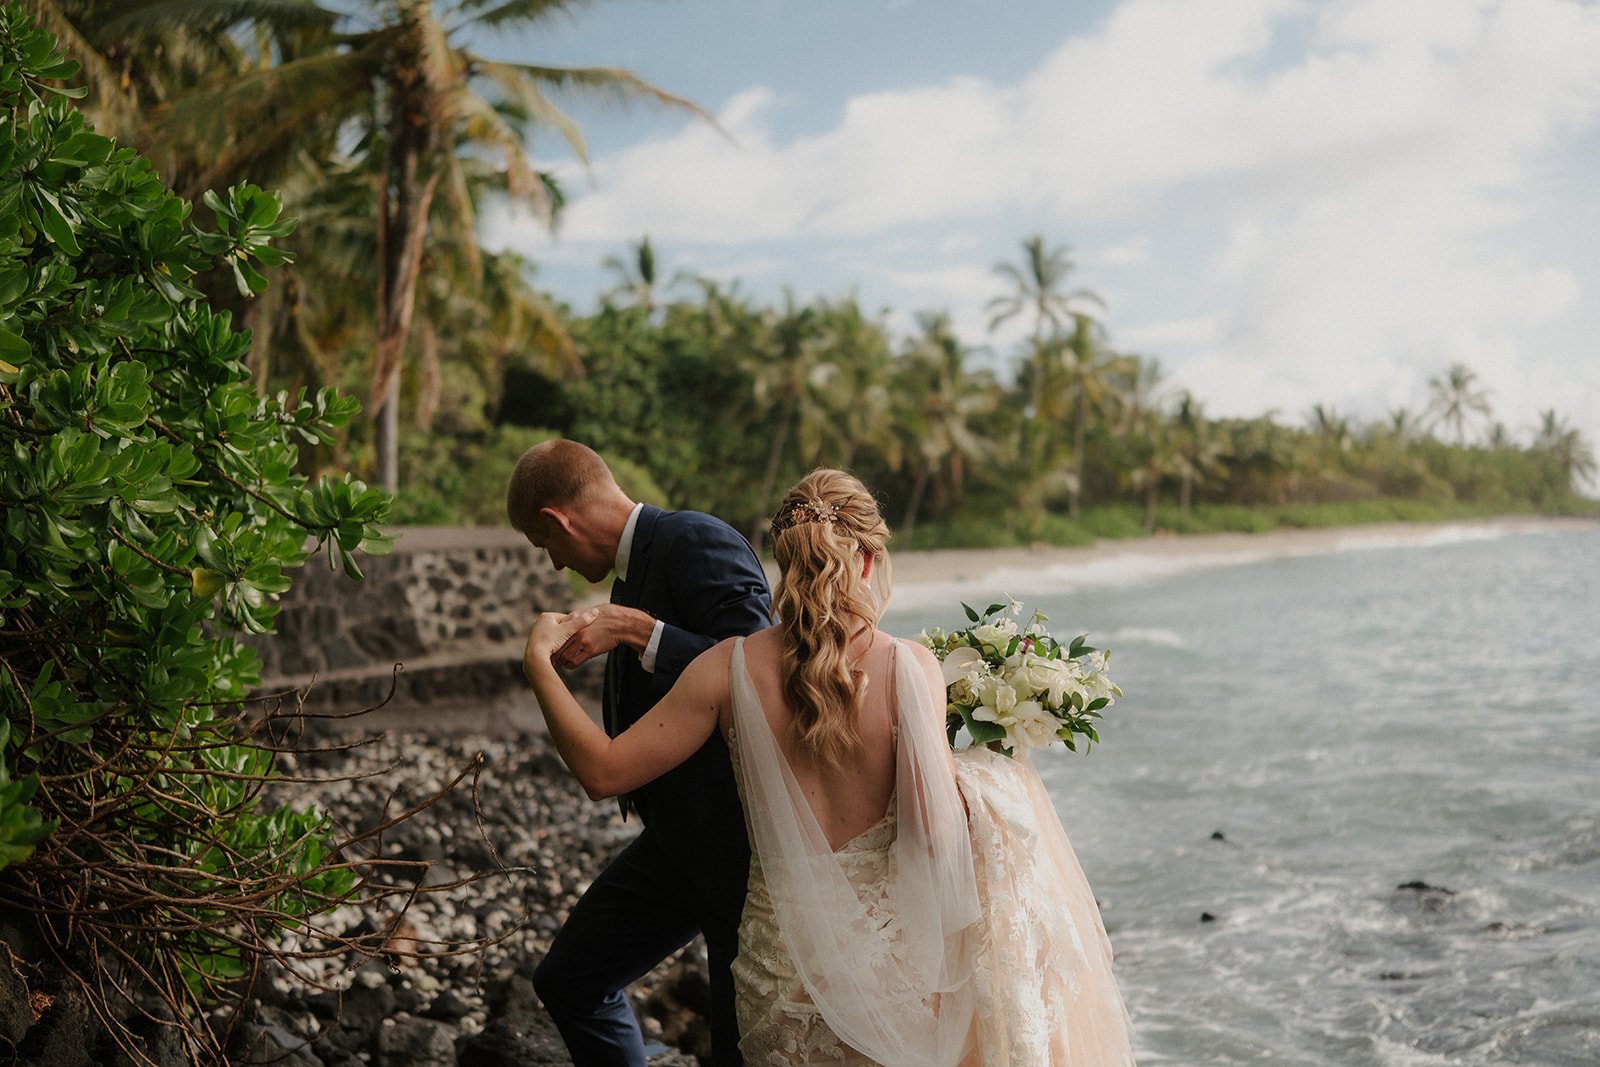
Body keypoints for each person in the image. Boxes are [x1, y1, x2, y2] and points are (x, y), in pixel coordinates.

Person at [524, 469, 1137, 1066]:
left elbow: (601, 772)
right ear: (869, 559)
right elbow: (935, 839)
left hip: (778, 972)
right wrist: (981, 772)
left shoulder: (726, 669)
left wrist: (539, 668)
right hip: (887, 975)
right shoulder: (909, 669)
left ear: (783, 563)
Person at [506, 439, 774, 1067]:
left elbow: (762, 675)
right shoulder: (630, 573)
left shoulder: (695, 540)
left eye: (546, 547)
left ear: (556, 520)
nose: (553, 565)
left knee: (746, 1047)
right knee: (568, 980)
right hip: (675, 844)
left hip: (738, 852)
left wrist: (634, 629)